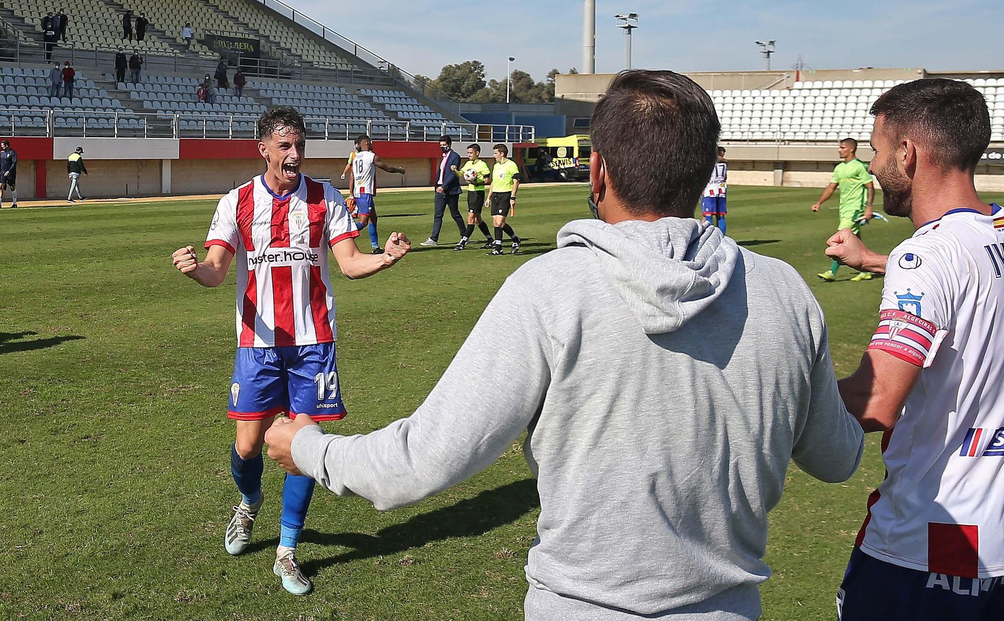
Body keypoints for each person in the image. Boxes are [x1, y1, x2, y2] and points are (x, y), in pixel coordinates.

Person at [262, 70, 865, 619]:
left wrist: (310, 448)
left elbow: (422, 461)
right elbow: (838, 459)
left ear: (596, 168)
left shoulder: (549, 289)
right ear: (709, 170)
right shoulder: (783, 291)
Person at [825, 78, 1004, 621]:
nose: (878, 167)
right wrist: (878, 262)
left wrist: (762, 402)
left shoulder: (926, 256)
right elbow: (978, 283)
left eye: (880, 151)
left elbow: (876, 400)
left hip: (927, 541)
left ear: (908, 154)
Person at [170, 106, 412, 597]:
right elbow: (217, 270)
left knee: (303, 449)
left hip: (313, 343)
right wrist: (195, 269)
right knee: (247, 447)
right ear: (263, 149)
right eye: (284, 146)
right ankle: (249, 501)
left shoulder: (324, 198)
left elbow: (348, 263)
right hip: (257, 344)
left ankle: (287, 549)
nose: (294, 155)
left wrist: (385, 257)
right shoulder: (236, 202)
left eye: (299, 146)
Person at [812, 137, 876, 282]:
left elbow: (870, 187)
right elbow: (831, 187)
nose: (839, 150)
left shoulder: (859, 166)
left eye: (842, 147)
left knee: (842, 237)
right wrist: (819, 202)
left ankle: (832, 272)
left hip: (855, 208)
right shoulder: (839, 168)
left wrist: (868, 208)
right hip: (844, 208)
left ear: (851, 149)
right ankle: (866, 269)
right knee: (855, 238)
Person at [341, 135, 406, 253]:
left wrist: (351, 193)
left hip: (358, 191)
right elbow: (388, 168)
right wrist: (400, 170)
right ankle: (343, 236)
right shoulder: (371, 156)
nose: (371, 144)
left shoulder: (356, 158)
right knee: (363, 221)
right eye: (370, 142)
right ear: (365, 143)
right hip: (365, 192)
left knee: (373, 219)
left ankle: (375, 247)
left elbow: (352, 177)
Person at [422, 136, 468, 247]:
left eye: (444, 145)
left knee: (455, 214)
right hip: (440, 191)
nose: (442, 147)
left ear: (449, 144)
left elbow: (453, 174)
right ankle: (434, 238)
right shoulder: (443, 157)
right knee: (438, 215)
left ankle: (465, 235)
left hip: (451, 190)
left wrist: (443, 186)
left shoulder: (455, 157)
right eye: (441, 146)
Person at [486, 143, 522, 255]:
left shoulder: (511, 165)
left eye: (496, 153)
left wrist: (512, 197)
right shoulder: (496, 166)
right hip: (496, 195)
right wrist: (488, 197)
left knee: (500, 222)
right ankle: (503, 245)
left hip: (505, 195)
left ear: (502, 153)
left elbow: (516, 181)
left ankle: (507, 243)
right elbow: (493, 182)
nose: (494, 155)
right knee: (496, 223)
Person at [457, 143, 495, 249]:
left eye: (470, 153)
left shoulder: (482, 165)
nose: (469, 155)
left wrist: (476, 182)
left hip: (478, 193)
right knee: (478, 219)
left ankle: (463, 241)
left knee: (471, 217)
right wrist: (455, 170)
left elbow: (487, 180)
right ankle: (490, 239)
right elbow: (461, 173)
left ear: (477, 153)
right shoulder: (468, 163)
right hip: (470, 192)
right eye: (468, 153)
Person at [702, 146, 729, 232]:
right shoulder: (725, 164)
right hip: (721, 191)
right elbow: (725, 177)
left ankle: (709, 236)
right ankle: (722, 237)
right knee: (720, 216)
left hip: (710, 190)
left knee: (708, 215)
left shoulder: (710, 162)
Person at [0, 139, 18, 209]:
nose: (2, 147)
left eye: (3, 145)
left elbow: (14, 163)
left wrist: (9, 171)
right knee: (0, 186)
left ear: (6, 145)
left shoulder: (12, 153)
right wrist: (0, 172)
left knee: (12, 187)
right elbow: (1, 163)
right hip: (2, 172)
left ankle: (14, 203)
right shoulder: (1, 153)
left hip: (10, 173)